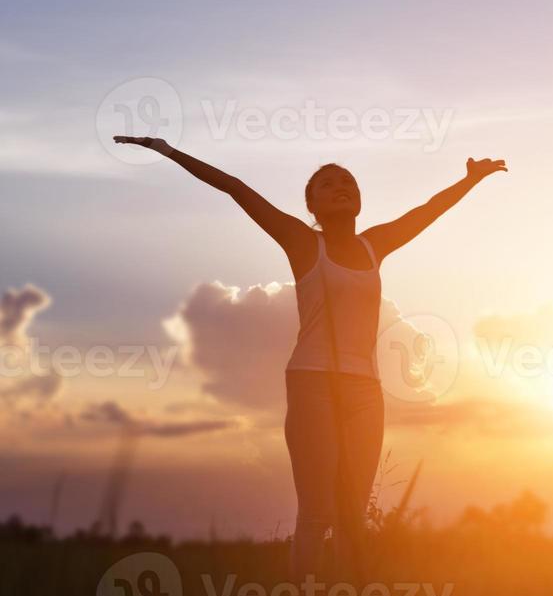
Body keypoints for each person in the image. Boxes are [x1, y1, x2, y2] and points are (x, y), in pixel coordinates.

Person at [113, 135, 507, 573]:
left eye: (349, 183)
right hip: (312, 383)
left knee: (352, 518)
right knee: (317, 512)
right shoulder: (302, 242)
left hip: (365, 389)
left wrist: (468, 181)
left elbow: (426, 212)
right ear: (312, 208)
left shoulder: (376, 244)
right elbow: (236, 187)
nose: (341, 186)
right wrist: (168, 151)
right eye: (327, 183)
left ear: (359, 200)